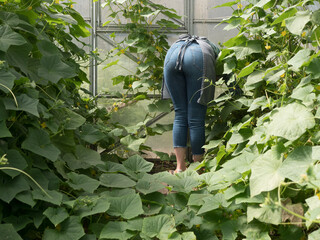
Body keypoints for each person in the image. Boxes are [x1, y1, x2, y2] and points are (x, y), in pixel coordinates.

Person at [161, 34, 220, 173]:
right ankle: (198, 169)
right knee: (196, 118)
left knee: (180, 114)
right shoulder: (213, 48)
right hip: (198, 59)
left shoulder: (178, 42)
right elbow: (225, 72)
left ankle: (180, 167)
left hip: (172, 55)